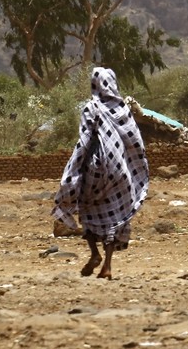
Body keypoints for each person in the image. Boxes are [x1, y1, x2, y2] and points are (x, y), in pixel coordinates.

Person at [52, 67, 150, 280]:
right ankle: (107, 265)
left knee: (87, 207)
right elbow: (134, 139)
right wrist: (136, 167)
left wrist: (73, 167)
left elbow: (85, 139)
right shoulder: (123, 108)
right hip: (121, 171)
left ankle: (94, 253)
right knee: (114, 215)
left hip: (97, 169)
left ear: (95, 84)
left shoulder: (92, 107)